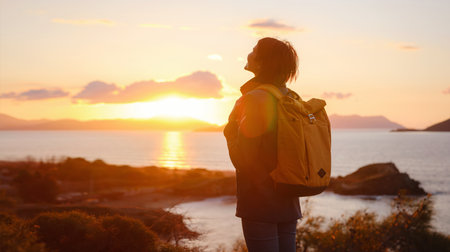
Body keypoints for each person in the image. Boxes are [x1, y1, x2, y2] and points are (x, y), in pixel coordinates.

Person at [223, 37, 301, 252]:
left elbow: (243, 159)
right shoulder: (291, 98)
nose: (249, 54)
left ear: (262, 62)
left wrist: (230, 131)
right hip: (289, 197)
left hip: (260, 201)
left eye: (254, 50)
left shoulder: (255, 99)